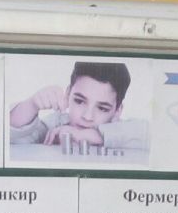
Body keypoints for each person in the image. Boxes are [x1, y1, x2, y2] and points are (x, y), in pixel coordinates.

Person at [9, 61, 149, 152]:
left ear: (117, 111)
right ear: (68, 94)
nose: (87, 117)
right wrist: (32, 105)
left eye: (102, 108)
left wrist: (93, 135)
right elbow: (11, 138)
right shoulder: (56, 124)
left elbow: (150, 133)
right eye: (80, 101)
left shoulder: (123, 128)